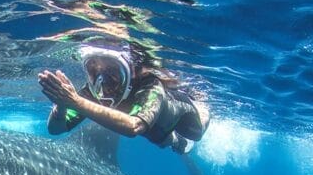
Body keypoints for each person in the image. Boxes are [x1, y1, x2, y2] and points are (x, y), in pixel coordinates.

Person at [38, 45, 210, 154]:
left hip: (178, 114)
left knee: (195, 134)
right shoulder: (94, 90)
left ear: (130, 71)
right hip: (153, 129)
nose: (103, 80)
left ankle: (201, 106)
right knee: (159, 138)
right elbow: (56, 130)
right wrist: (60, 108)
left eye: (112, 72)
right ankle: (176, 141)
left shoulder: (150, 86)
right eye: (94, 71)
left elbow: (134, 126)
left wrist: (75, 102)